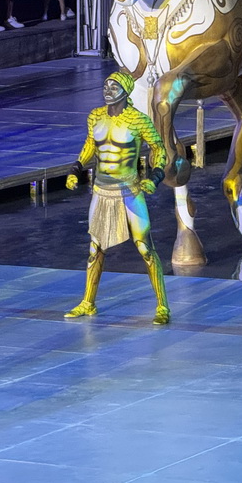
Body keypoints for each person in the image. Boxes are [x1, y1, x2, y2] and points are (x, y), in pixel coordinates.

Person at [65, 71, 171, 325]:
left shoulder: (138, 120)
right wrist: (75, 169)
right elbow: (91, 143)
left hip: (129, 191)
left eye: (114, 86)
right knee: (95, 249)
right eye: (106, 85)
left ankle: (162, 306)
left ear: (125, 91)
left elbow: (158, 148)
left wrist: (154, 177)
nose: (108, 89)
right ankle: (88, 302)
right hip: (102, 191)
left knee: (145, 247)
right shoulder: (95, 117)